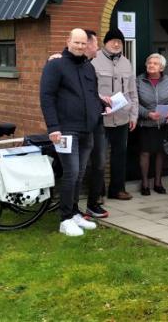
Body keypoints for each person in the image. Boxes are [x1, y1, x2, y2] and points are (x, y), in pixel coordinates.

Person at [40, 29, 106, 237]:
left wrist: (100, 109)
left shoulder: (88, 67)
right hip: (66, 130)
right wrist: (53, 127)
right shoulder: (55, 65)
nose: (80, 46)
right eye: (76, 42)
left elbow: (92, 96)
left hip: (88, 130)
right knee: (71, 173)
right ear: (68, 41)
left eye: (83, 43)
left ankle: (75, 212)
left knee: (79, 173)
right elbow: (47, 97)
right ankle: (65, 219)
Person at [93, 28, 138, 201]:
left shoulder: (127, 63)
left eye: (119, 41)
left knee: (120, 155)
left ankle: (118, 189)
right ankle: (98, 192)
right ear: (106, 43)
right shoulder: (94, 61)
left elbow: (133, 93)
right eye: (113, 41)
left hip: (122, 118)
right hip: (101, 119)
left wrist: (133, 116)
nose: (117, 44)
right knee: (99, 157)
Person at [136, 53, 168, 195]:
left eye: (155, 63)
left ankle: (158, 182)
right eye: (149, 63)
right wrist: (147, 114)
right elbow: (134, 103)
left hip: (163, 123)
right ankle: (145, 184)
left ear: (161, 67)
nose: (151, 65)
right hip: (146, 123)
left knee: (161, 153)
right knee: (145, 152)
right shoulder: (139, 81)